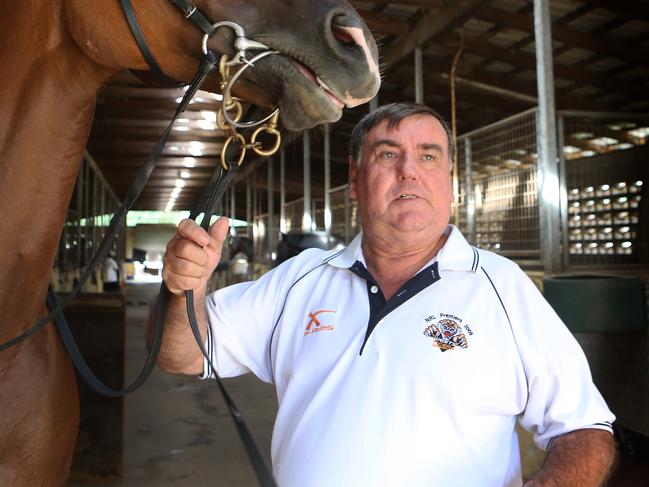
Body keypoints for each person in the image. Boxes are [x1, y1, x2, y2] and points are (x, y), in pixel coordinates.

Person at [155, 103, 616, 487]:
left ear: (451, 182)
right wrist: (183, 290)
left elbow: (583, 428)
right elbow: (181, 355)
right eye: (388, 155)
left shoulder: (503, 287)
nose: (409, 172)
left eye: (429, 156)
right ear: (355, 181)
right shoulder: (299, 280)